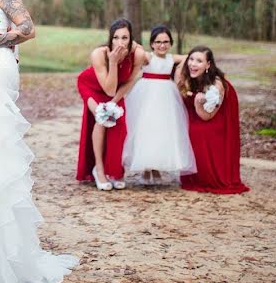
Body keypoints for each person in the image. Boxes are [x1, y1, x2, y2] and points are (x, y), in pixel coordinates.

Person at [121, 25, 196, 185]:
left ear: (171, 43)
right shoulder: (147, 56)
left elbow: (189, 57)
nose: (162, 45)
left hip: (166, 95)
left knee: (163, 129)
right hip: (146, 93)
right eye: (158, 42)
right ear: (152, 44)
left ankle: (156, 167)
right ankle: (146, 169)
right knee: (146, 128)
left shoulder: (171, 58)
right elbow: (133, 47)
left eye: (166, 42)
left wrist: (180, 71)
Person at [75, 19, 141, 190]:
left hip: (116, 92)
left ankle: (115, 170)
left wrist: (113, 102)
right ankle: (99, 169)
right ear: (110, 38)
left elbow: (129, 82)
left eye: (125, 38)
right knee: (102, 118)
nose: (120, 42)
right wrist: (112, 62)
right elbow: (108, 88)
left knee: (120, 127)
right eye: (116, 37)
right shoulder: (99, 54)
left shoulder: (137, 54)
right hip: (92, 87)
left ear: (131, 38)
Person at [176, 46, 249, 194]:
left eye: (199, 61)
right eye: (191, 59)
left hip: (215, 117)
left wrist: (197, 104)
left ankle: (206, 176)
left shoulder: (216, 86)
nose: (193, 64)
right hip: (198, 112)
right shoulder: (189, 75)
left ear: (208, 65)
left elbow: (207, 116)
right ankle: (193, 174)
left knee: (198, 131)